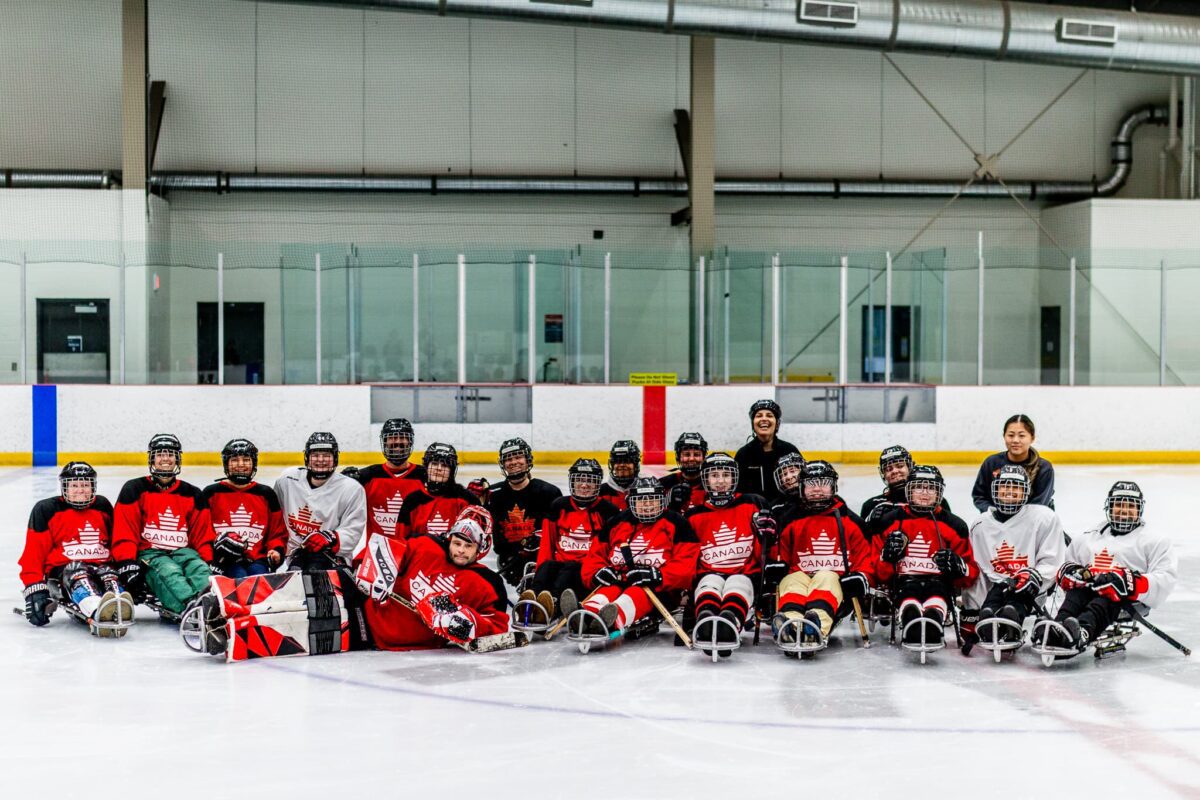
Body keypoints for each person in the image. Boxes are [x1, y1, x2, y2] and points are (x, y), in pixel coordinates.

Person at [1042, 481, 1178, 654]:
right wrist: (1072, 573)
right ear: (1109, 507)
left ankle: (1082, 632)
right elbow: (1066, 565)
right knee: (1077, 594)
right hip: (1089, 592)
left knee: (1108, 599)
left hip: (1128, 600)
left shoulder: (1154, 541)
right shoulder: (1089, 537)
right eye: (1118, 505)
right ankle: (1057, 627)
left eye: (1130, 505)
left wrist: (1130, 583)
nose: (1124, 510)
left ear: (1139, 509)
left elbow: (1166, 578)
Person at [356, 506, 509, 650]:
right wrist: (369, 570)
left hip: (403, 648)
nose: (461, 550)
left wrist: (466, 620)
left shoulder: (489, 583)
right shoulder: (425, 545)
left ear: (480, 548)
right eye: (457, 543)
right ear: (450, 538)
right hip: (364, 618)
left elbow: (497, 627)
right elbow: (384, 549)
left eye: (468, 546)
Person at [568, 477, 698, 639]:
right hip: (619, 581)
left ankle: (610, 622)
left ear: (662, 501)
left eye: (653, 500)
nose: (648, 505)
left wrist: (659, 576)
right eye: (641, 500)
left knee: (634, 593)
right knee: (608, 590)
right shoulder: (616, 522)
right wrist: (596, 573)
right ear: (631, 502)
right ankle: (585, 614)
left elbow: (687, 565)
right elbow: (595, 556)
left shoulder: (678, 523)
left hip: (657, 590)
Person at [19, 462, 132, 636]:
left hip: (100, 564)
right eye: (74, 485)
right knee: (77, 573)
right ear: (65, 487)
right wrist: (35, 589)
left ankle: (120, 603)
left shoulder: (102, 505)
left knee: (109, 573)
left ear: (93, 486)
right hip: (65, 569)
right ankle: (96, 608)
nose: (81, 490)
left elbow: (116, 541)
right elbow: (33, 554)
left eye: (86, 485)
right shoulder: (46, 509)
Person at [767, 461, 873, 646]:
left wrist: (861, 577)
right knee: (790, 581)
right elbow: (780, 554)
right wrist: (774, 565)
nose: (817, 490)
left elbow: (865, 558)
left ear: (833, 486)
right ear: (801, 488)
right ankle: (791, 627)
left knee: (826, 576)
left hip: (837, 585)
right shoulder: (790, 520)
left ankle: (815, 630)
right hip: (801, 576)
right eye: (810, 484)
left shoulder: (851, 521)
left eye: (823, 483)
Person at [112, 434, 215, 616]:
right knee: (169, 572)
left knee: (199, 569)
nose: (165, 459)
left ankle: (215, 604)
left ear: (177, 459)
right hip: (150, 554)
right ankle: (192, 608)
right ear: (152, 458)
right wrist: (127, 563)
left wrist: (208, 560)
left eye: (170, 454)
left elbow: (202, 534)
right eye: (160, 454)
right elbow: (125, 530)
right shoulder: (134, 489)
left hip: (184, 552)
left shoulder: (192, 493)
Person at [876, 464, 976, 646]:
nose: (925, 493)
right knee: (908, 593)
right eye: (919, 487)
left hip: (939, 584)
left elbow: (970, 575)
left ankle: (933, 620)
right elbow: (880, 574)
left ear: (939, 493)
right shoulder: (889, 521)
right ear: (909, 491)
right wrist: (887, 557)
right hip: (904, 582)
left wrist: (958, 566)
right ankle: (910, 618)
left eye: (931, 488)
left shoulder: (955, 525)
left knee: (937, 592)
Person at [965, 465, 1065, 644]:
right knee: (993, 599)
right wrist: (972, 610)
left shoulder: (1044, 518)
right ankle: (988, 618)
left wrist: (1037, 577)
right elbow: (978, 572)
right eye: (1004, 486)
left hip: (1029, 588)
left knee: (1017, 600)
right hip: (997, 588)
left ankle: (1012, 620)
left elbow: (1052, 562)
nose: (1010, 491)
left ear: (1026, 491)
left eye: (1016, 487)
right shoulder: (979, 525)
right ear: (995, 490)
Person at [684, 453, 772, 655]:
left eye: (726, 475)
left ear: (735, 478)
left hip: (744, 573)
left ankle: (729, 623)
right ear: (705, 479)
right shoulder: (694, 516)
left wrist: (767, 535)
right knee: (709, 585)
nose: (721, 481)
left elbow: (764, 548)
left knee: (738, 585)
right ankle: (706, 621)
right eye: (714, 475)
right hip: (708, 573)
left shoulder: (753, 504)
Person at [524, 458, 619, 624]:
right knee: (547, 567)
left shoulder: (607, 511)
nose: (584, 485)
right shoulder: (558, 506)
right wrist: (540, 568)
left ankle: (551, 605)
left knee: (569, 571)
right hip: (560, 564)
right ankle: (532, 601)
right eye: (580, 480)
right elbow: (547, 544)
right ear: (572, 482)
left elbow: (612, 547)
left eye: (589, 481)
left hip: (586, 569)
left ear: (597, 484)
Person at [274, 432, 366, 574]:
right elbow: (274, 517)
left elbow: (353, 531)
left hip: (333, 556)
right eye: (315, 455)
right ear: (307, 458)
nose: (321, 460)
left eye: (327, 455)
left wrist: (331, 538)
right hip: (296, 556)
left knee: (318, 577)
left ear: (335, 458)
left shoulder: (351, 489)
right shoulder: (287, 481)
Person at [205, 439, 287, 579]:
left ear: (253, 463)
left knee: (259, 581)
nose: (241, 464)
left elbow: (277, 533)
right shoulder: (211, 493)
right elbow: (202, 531)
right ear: (226, 464)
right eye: (235, 460)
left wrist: (276, 551)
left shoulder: (266, 494)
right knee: (240, 578)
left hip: (256, 559)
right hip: (224, 561)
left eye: (246, 459)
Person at [486, 438, 563, 587]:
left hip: (542, 558)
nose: (514, 462)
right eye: (508, 459)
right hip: (509, 560)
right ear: (503, 464)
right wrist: (473, 495)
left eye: (518, 457)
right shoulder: (493, 494)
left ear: (528, 460)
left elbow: (560, 531)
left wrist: (541, 539)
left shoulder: (549, 492)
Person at [353, 418, 426, 539]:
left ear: (410, 442)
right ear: (385, 442)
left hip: (411, 551)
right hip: (377, 554)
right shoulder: (367, 476)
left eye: (402, 438)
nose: (397, 442)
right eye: (392, 437)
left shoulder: (424, 476)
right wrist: (344, 481)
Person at [971, 414, 1055, 512]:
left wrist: (1014, 521)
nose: (1015, 440)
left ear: (1032, 438)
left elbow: (1040, 504)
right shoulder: (991, 463)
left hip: (1033, 523)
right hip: (997, 522)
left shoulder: (1044, 468)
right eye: (1010, 435)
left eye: (1022, 436)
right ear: (1004, 436)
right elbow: (979, 496)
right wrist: (995, 515)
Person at [394, 443, 479, 538]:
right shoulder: (412, 500)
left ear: (451, 470)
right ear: (426, 467)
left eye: (445, 465)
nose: (439, 468)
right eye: (434, 464)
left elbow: (476, 540)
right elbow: (400, 539)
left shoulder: (467, 499)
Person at [735, 399, 802, 503]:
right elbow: (738, 491)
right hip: (754, 510)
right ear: (753, 423)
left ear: (777, 423)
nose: (764, 419)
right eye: (759, 416)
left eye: (769, 416)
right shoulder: (743, 454)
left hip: (786, 510)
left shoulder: (789, 451)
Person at [661, 432, 707, 513]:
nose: (692, 459)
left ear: (704, 458)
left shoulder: (712, 484)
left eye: (696, 454)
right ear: (678, 457)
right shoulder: (663, 484)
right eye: (687, 454)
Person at [599, 439, 640, 510]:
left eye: (627, 461)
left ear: (635, 465)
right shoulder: (600, 492)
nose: (622, 465)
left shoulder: (644, 490)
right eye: (617, 461)